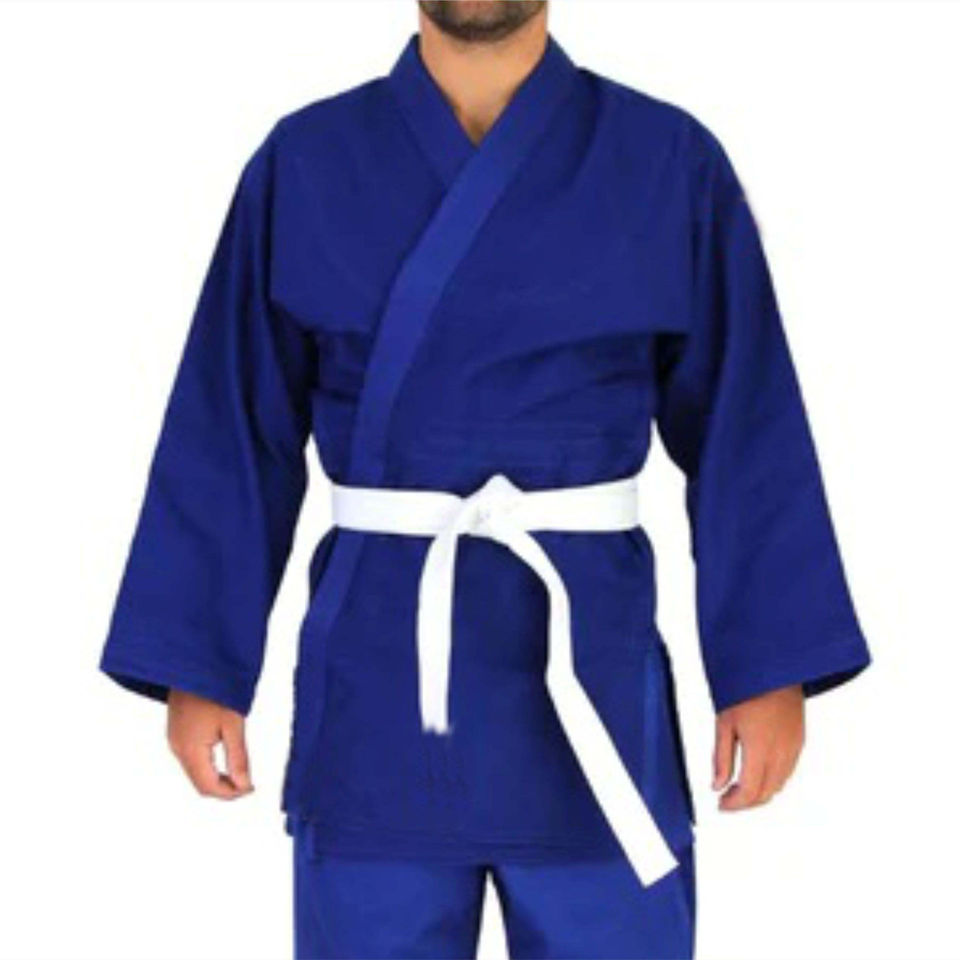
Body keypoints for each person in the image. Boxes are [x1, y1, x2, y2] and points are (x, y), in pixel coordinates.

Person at [100, 3, 871, 957]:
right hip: (379, 687)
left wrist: (768, 667)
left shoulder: (667, 159)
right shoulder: (304, 161)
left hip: (591, 677)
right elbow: (229, 421)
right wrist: (198, 663)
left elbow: (747, 420)